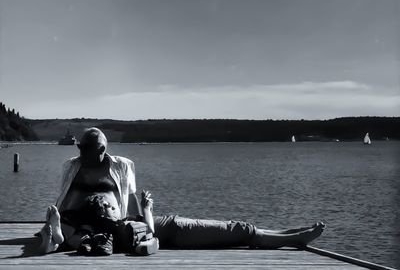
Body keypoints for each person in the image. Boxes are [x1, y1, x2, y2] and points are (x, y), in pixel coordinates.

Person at [37, 127, 325, 255]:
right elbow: (61, 205)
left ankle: (282, 235)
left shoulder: (122, 166)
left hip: (127, 224)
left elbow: (134, 206)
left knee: (189, 225)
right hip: (90, 229)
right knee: (201, 231)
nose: (81, 154)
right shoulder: (71, 166)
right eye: (80, 148)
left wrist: (145, 220)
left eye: (87, 150)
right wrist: (56, 229)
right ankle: (284, 238)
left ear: (103, 149)